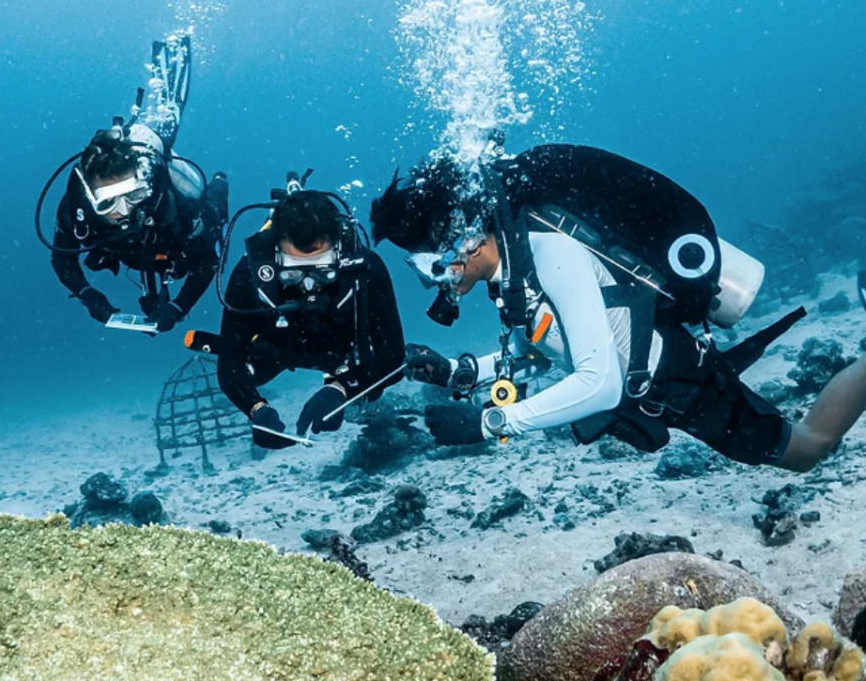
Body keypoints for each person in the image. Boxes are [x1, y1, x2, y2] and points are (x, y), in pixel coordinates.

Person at [370, 142, 866, 473]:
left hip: (679, 381)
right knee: (802, 449)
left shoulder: (550, 253)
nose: (432, 281)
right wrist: (454, 371)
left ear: (467, 239)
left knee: (807, 449)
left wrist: (490, 424)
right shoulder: (514, 277)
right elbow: (542, 351)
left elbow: (598, 381)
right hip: (654, 390)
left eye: (430, 266)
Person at [46, 38, 228, 334]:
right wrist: (86, 293)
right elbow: (61, 257)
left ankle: (220, 183)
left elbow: (206, 263)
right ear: (91, 200)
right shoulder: (74, 208)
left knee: (213, 214)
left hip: (166, 236)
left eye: (135, 195)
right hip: (135, 250)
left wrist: (179, 307)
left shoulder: (168, 199)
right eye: (109, 203)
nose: (128, 211)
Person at [215, 187, 405, 449]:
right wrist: (256, 409)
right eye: (293, 274)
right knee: (249, 372)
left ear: (338, 250)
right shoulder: (249, 276)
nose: (308, 287)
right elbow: (229, 365)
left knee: (375, 389)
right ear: (275, 252)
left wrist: (341, 390)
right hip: (278, 348)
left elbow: (393, 358)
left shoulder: (366, 269)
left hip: (344, 351)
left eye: (322, 272)